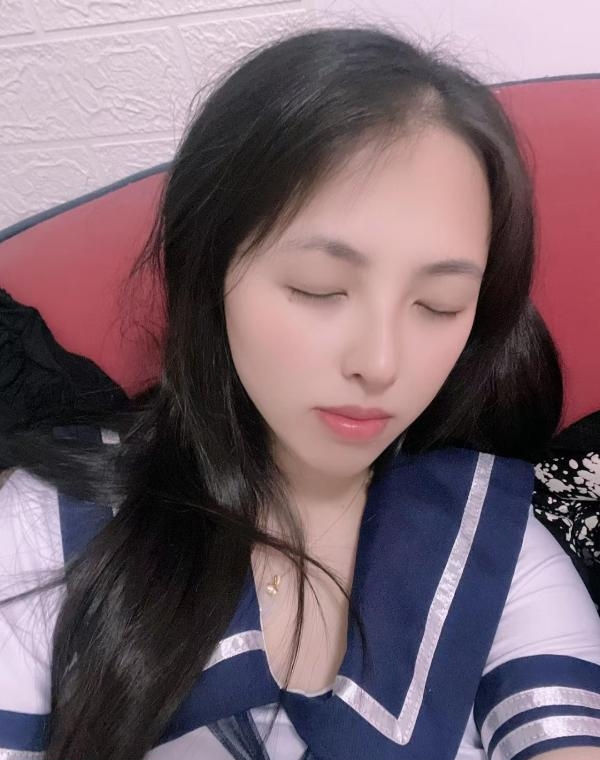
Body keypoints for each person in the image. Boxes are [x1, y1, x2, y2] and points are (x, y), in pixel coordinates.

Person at [0, 24, 599, 760]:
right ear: (211, 270)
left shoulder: (493, 551)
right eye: (320, 289)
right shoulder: (47, 527)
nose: (380, 363)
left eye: (439, 305)